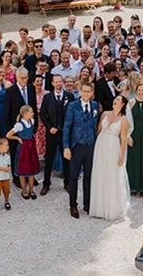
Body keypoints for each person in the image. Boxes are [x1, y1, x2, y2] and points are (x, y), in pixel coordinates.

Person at [88, 93, 131, 220]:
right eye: (115, 99)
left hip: (113, 146)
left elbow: (123, 139)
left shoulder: (124, 120)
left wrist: (121, 156)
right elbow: (98, 130)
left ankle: (111, 207)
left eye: (118, 100)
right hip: (101, 144)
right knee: (100, 172)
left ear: (122, 104)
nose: (115, 101)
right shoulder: (105, 114)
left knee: (111, 173)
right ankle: (99, 206)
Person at [63, 81, 100, 218]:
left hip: (90, 145)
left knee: (89, 176)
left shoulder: (95, 105)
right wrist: (66, 147)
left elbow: (97, 125)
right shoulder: (73, 106)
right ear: (80, 91)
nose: (85, 93)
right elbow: (67, 127)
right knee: (73, 176)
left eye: (88, 91)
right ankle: (73, 205)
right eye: (83, 91)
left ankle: (87, 203)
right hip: (76, 145)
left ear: (91, 93)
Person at [39, 73, 72, 195]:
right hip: (52, 133)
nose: (58, 83)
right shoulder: (47, 97)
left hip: (64, 133)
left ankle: (67, 183)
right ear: (52, 83)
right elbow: (42, 113)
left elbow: (71, 114)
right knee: (49, 159)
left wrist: (67, 129)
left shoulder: (70, 96)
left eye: (60, 81)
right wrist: (49, 127)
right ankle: (46, 183)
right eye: (56, 82)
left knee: (66, 159)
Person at [6, 66, 37, 187]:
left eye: (26, 78)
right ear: (17, 77)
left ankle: (30, 176)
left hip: (29, 126)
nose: (25, 80)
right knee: (17, 154)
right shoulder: (11, 91)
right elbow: (7, 112)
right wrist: (12, 130)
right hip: (17, 128)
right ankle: (17, 177)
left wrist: (34, 125)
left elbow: (33, 107)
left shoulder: (31, 88)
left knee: (30, 155)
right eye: (22, 78)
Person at [7, 104, 40, 200]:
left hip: (31, 147)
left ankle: (31, 189)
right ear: (25, 114)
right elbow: (8, 135)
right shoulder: (19, 125)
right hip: (23, 148)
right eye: (31, 112)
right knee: (23, 168)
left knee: (31, 168)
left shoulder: (32, 121)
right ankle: (24, 190)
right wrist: (18, 138)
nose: (33, 114)